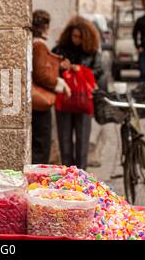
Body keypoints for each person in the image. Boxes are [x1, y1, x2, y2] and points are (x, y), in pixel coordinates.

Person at [52, 16, 101, 171]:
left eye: (80, 37)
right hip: (64, 100)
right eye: (74, 36)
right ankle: (67, 175)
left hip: (83, 100)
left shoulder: (92, 52)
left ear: (86, 37)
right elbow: (49, 71)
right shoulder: (59, 50)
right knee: (65, 141)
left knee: (82, 142)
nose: (76, 40)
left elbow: (99, 71)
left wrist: (81, 70)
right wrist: (60, 66)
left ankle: (81, 176)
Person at [31, 10, 71, 164]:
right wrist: (61, 85)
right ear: (45, 26)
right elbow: (41, 74)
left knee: (40, 144)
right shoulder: (39, 45)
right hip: (40, 103)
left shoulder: (33, 43)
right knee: (42, 146)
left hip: (36, 102)